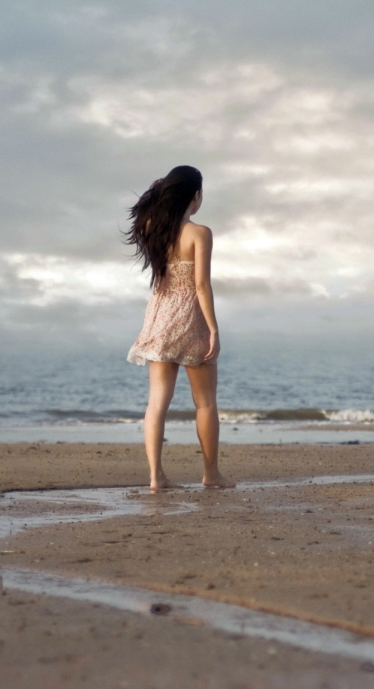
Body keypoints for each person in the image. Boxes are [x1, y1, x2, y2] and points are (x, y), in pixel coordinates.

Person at [126, 165, 236, 491]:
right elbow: (201, 285)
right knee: (205, 402)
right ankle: (211, 474)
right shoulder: (199, 233)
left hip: (160, 317)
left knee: (157, 401)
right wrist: (214, 329)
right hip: (190, 319)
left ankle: (155, 477)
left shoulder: (151, 227)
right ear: (196, 196)